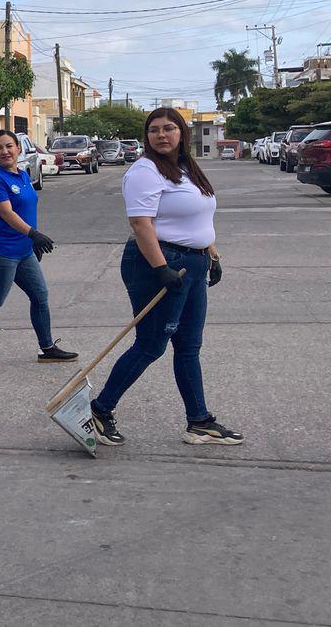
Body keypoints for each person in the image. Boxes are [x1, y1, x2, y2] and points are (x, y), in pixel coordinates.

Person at [89, 108, 242, 447]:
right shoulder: (144, 171)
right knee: (151, 344)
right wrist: (161, 268)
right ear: (147, 137)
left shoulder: (187, 169)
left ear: (181, 133)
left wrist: (212, 255)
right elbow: (141, 224)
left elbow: (199, 217)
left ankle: (199, 421)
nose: (162, 135)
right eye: (154, 130)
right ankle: (99, 410)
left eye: (169, 128)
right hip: (157, 262)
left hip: (193, 262)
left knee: (189, 346)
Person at [0, 130, 77, 372]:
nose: (5, 151)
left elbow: (27, 210)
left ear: (18, 148)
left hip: (24, 252)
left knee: (40, 296)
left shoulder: (22, 176)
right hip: (1, 253)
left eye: (9, 146)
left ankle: (46, 348)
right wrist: (33, 234)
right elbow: (8, 214)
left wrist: (32, 240)